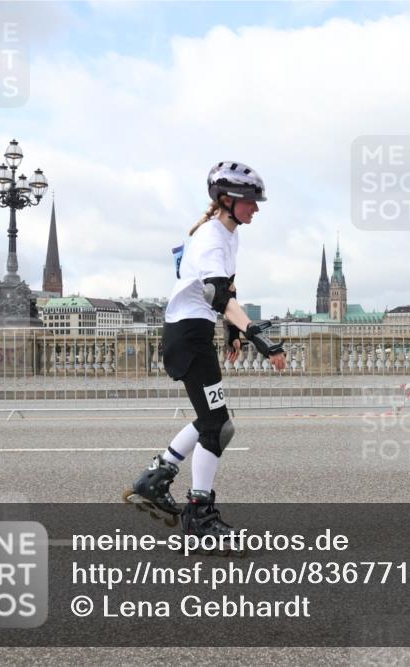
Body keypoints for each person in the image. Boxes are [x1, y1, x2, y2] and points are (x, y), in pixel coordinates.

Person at [124, 161, 286, 541]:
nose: (256, 209)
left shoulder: (230, 236)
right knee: (217, 426)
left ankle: (156, 477)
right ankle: (199, 515)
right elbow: (215, 294)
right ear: (227, 200)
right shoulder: (212, 238)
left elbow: (224, 291)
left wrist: (232, 331)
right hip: (187, 337)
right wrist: (260, 337)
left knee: (212, 421)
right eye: (250, 202)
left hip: (196, 333)